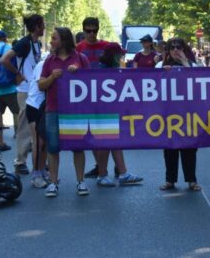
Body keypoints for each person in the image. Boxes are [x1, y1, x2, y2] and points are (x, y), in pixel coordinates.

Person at [39, 27, 90, 197]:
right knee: (53, 147)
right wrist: (52, 77)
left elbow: (92, 82)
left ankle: (81, 181)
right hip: (53, 109)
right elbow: (40, 85)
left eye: (54, 38)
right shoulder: (49, 60)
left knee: (78, 146)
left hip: (76, 110)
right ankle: (53, 183)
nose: (51, 41)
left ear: (64, 40)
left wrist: (78, 73)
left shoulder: (81, 58)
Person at [0, 14, 45, 175]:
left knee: (37, 127)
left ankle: (39, 161)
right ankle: (20, 161)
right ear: (36, 27)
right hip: (25, 90)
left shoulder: (37, 43)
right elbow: (4, 60)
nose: (44, 27)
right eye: (42, 25)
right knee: (25, 126)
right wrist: (18, 74)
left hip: (35, 90)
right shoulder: (24, 43)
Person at [155, 37, 201, 192]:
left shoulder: (192, 65)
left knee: (189, 147)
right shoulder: (160, 66)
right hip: (167, 113)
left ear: (184, 49)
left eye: (179, 47)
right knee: (169, 148)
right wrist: (163, 73)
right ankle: (170, 180)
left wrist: (185, 63)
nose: (176, 50)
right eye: (172, 47)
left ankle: (192, 180)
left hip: (188, 113)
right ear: (168, 50)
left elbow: (198, 83)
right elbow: (153, 87)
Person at [95, 43, 143, 187]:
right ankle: (102, 175)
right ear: (113, 56)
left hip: (111, 110)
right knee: (105, 144)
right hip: (104, 111)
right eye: (119, 54)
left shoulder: (113, 68)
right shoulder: (103, 70)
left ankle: (122, 173)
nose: (122, 56)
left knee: (115, 142)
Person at [76, 17, 111, 178]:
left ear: (98, 29)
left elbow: (117, 68)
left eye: (94, 30)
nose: (91, 33)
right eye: (88, 30)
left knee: (109, 132)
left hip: (105, 97)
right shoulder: (78, 48)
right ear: (83, 30)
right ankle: (100, 167)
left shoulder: (106, 46)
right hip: (86, 97)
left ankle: (118, 168)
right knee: (91, 132)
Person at [26, 56, 48, 188]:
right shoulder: (43, 64)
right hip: (34, 105)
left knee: (45, 141)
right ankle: (36, 174)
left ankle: (42, 170)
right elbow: (42, 86)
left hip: (45, 106)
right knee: (38, 142)